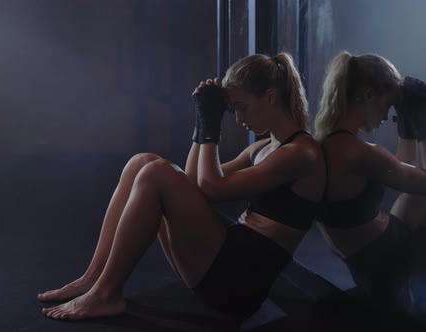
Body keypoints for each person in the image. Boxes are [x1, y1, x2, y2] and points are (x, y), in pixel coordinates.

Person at [38, 53, 325, 321]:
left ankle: (106, 294)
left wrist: (212, 127)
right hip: (227, 259)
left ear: (271, 97)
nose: (239, 119)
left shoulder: (301, 153)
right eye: (232, 110)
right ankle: (94, 278)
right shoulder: (264, 147)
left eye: (241, 107)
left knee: (157, 173)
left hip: (239, 284)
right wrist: (202, 123)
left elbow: (212, 188)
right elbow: (193, 184)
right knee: (144, 162)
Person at [314, 51, 426, 320]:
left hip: (365, 261)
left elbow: (401, 174)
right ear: (368, 96)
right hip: (387, 266)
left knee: (418, 197)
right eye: (387, 106)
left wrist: (408, 128)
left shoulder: (323, 143)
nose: (387, 117)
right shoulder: (362, 154)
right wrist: (423, 126)